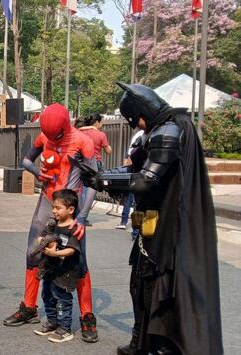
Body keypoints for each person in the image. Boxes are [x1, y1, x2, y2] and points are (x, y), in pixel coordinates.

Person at [80, 83, 222, 355]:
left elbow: (146, 179)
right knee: (139, 284)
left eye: (135, 120)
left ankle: (160, 345)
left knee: (158, 286)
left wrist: (104, 180)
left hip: (169, 226)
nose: (136, 126)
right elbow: (135, 168)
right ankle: (141, 341)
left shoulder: (169, 131)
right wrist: (101, 178)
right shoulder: (157, 130)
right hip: (151, 221)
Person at [5, 103, 99, 344]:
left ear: (65, 125)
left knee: (78, 259)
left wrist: (82, 216)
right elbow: (26, 161)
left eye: (55, 134)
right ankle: (29, 307)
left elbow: (92, 182)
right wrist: (38, 173)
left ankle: (87, 315)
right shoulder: (44, 136)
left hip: (70, 208)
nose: (52, 138)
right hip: (47, 202)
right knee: (33, 254)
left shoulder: (83, 142)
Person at [32, 189, 84, 344]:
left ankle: (65, 328)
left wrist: (55, 253)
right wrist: (42, 242)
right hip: (50, 269)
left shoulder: (73, 228)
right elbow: (41, 236)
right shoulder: (53, 224)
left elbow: (73, 249)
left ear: (70, 209)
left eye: (58, 208)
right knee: (47, 296)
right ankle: (52, 322)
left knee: (62, 299)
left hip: (65, 272)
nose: (54, 211)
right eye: (53, 207)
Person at [77, 113, 112, 226]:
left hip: (82, 162)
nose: (102, 124)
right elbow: (108, 151)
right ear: (96, 122)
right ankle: (83, 216)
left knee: (82, 189)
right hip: (95, 163)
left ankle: (80, 215)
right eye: (101, 122)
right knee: (92, 189)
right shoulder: (101, 135)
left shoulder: (81, 132)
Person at [115, 129, 145, 232]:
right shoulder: (146, 134)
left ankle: (124, 222)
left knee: (129, 197)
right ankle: (136, 230)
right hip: (141, 172)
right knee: (137, 201)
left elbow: (128, 155)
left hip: (133, 170)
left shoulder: (139, 134)